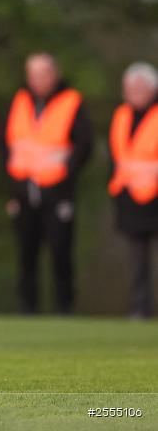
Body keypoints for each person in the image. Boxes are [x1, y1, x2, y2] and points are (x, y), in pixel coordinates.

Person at [0, 53, 92, 315]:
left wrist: (65, 176)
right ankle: (28, 308)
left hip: (57, 190)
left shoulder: (71, 102)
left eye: (43, 74)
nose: (37, 80)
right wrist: (13, 185)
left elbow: (84, 146)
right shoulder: (18, 102)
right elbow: (5, 146)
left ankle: (64, 307)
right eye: (33, 74)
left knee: (61, 250)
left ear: (55, 74)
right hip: (23, 189)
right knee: (25, 252)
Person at [108, 62, 158, 319]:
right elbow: (115, 157)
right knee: (137, 260)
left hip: (155, 197)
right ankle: (140, 309)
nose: (133, 92)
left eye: (139, 87)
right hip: (129, 197)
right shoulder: (121, 115)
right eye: (129, 88)